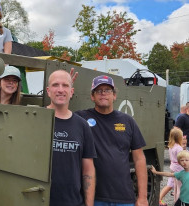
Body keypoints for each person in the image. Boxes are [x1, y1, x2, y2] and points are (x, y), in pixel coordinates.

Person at [76, 75, 148, 206]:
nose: (103, 94)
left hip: (124, 197)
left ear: (114, 95)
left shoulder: (128, 121)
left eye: (107, 90)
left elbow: (139, 159)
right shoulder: (81, 118)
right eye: (99, 91)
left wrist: (142, 197)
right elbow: (58, 114)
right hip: (95, 197)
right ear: (92, 96)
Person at [46, 70, 96, 206]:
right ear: (48, 90)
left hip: (73, 202)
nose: (60, 90)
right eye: (55, 85)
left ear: (72, 91)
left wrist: (89, 204)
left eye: (65, 85)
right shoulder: (36, 119)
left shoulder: (82, 125)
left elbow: (88, 169)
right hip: (39, 200)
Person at [159, 128, 184, 206]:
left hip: (173, 167)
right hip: (179, 168)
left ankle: (159, 198)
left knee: (171, 184)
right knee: (180, 187)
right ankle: (179, 202)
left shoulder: (171, 146)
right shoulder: (179, 148)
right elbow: (181, 159)